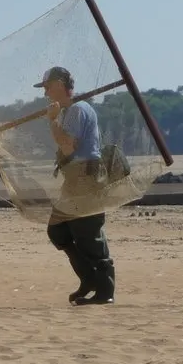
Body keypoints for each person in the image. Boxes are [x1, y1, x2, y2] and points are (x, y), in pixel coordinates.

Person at [34, 66, 116, 306]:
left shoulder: (77, 110)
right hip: (74, 179)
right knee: (58, 230)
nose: (46, 93)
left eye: (48, 87)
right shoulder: (70, 110)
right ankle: (88, 279)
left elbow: (68, 146)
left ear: (60, 85)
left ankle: (105, 290)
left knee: (88, 233)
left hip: (86, 178)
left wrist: (52, 120)